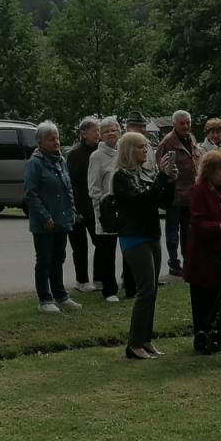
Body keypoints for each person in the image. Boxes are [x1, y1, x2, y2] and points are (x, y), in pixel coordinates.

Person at [111, 130, 178, 359]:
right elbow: (141, 201)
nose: (145, 150)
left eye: (146, 146)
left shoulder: (146, 173)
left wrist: (169, 181)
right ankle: (134, 344)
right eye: (140, 146)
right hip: (134, 236)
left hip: (151, 234)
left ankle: (145, 340)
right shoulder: (122, 176)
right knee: (146, 289)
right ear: (129, 150)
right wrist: (162, 178)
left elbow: (163, 202)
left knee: (152, 291)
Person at [184, 149, 221, 353]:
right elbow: (197, 223)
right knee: (204, 296)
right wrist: (219, 227)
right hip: (204, 252)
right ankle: (204, 338)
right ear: (209, 171)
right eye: (220, 169)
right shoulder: (199, 190)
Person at [24, 121, 80, 314]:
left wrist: (72, 210)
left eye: (57, 138)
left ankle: (60, 295)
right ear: (40, 142)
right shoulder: (35, 163)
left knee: (58, 258)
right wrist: (45, 216)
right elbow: (30, 193)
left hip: (61, 218)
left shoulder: (60, 160)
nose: (56, 142)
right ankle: (45, 299)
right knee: (44, 260)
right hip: (45, 222)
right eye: (51, 139)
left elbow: (68, 188)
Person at [155, 109, 200, 277]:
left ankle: (188, 261)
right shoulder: (168, 142)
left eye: (188, 122)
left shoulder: (191, 139)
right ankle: (174, 263)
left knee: (188, 230)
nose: (186, 126)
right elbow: (161, 167)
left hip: (191, 194)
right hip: (174, 194)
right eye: (182, 123)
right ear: (174, 124)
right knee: (173, 231)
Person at [87, 117, 123, 302]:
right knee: (107, 251)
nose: (110, 133)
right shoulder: (97, 156)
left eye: (113, 130)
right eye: (106, 131)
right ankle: (109, 290)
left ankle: (130, 285)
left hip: (124, 209)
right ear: (100, 135)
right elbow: (93, 187)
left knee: (128, 248)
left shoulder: (123, 152)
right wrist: (102, 208)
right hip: (106, 210)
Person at [66, 117, 101, 293]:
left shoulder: (100, 151)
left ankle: (99, 278)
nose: (98, 134)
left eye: (99, 130)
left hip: (95, 205)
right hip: (79, 205)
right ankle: (82, 281)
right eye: (95, 130)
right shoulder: (75, 154)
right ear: (84, 133)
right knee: (80, 246)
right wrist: (74, 209)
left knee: (100, 242)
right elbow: (71, 183)